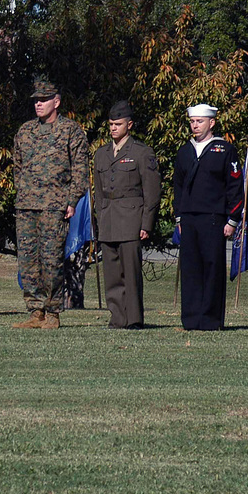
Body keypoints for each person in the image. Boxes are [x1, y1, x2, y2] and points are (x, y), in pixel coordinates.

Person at [13, 79, 90, 330]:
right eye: (36, 100)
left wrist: (71, 201)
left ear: (56, 102)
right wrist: (22, 192)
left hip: (54, 206)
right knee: (28, 262)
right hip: (27, 205)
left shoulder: (70, 131)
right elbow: (17, 167)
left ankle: (53, 311)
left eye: (43, 99)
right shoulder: (25, 131)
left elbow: (80, 169)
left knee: (51, 261)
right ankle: (35, 311)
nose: (38, 103)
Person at [173, 104, 244, 331]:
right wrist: (179, 218)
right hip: (189, 218)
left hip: (214, 218)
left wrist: (232, 219)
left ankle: (211, 320)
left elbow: (234, 186)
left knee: (212, 268)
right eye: (192, 121)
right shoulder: (185, 151)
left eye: (200, 121)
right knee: (191, 269)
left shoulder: (224, 150)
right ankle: (192, 318)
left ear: (211, 123)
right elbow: (178, 186)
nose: (195, 125)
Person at [92, 101, 161, 329]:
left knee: (131, 273)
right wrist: (99, 217)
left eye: (118, 124)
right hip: (108, 219)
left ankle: (133, 319)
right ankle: (117, 317)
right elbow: (99, 193)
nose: (113, 128)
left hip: (131, 219)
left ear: (129, 125)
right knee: (111, 274)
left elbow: (151, 192)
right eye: (111, 124)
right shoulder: (101, 154)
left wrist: (146, 224)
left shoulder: (142, 152)